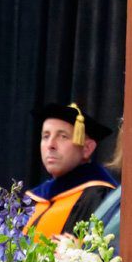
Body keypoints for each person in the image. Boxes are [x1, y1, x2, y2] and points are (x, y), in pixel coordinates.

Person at [25, 102, 117, 239]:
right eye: (46, 136)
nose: (50, 145)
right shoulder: (32, 198)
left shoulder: (100, 196)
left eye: (63, 136)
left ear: (87, 148)